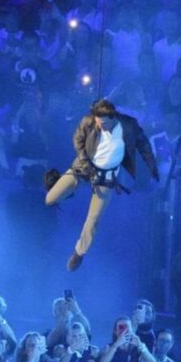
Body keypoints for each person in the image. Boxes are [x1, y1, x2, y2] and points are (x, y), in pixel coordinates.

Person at [45, 99, 158, 271]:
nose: (100, 124)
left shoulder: (125, 128)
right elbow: (77, 140)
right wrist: (85, 164)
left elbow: (141, 143)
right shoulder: (88, 122)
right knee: (50, 199)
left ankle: (79, 252)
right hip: (83, 167)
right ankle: (64, 188)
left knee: (94, 217)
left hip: (106, 177)